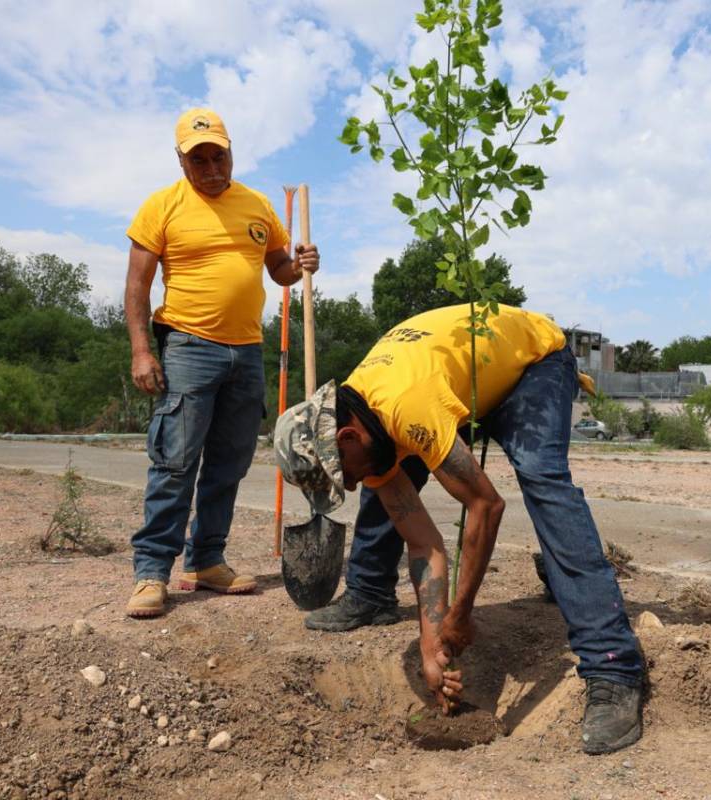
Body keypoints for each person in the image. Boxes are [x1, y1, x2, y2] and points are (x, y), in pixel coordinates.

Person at [274, 304, 644, 755]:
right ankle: (370, 594)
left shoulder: (406, 406)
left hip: (534, 360)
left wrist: (461, 612)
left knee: (541, 474)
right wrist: (432, 646)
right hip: (463, 379)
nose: (347, 485)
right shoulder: (356, 417)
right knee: (381, 480)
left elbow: (485, 505)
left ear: (348, 439)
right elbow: (423, 544)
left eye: (342, 474)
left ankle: (614, 666)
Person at [123, 108, 319, 618]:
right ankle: (152, 572)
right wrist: (142, 351)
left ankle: (207, 560)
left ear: (231, 153)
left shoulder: (256, 205)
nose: (211, 168)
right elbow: (137, 286)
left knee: (229, 464)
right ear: (181, 160)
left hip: (247, 351)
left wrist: (299, 264)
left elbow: (279, 270)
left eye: (219, 157)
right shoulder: (161, 207)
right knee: (175, 462)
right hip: (189, 347)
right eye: (199, 159)